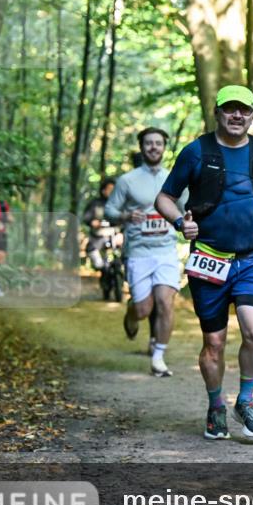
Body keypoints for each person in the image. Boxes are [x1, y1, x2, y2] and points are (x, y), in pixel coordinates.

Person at [155, 85, 253, 442]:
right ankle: (216, 405)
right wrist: (180, 222)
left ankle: (246, 401)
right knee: (214, 343)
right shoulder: (197, 151)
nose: (237, 116)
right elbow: (165, 197)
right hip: (208, 259)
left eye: (244, 110)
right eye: (229, 109)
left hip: (252, 259)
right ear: (217, 113)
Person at [105, 127, 184, 377]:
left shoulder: (174, 178)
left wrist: (188, 220)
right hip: (138, 251)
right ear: (141, 147)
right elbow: (109, 210)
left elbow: (187, 209)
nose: (153, 147)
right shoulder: (127, 180)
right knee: (143, 309)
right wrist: (126, 215)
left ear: (164, 147)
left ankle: (158, 357)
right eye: (149, 143)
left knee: (165, 302)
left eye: (158, 143)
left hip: (166, 250)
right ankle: (131, 313)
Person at [82, 178, 116, 273]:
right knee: (92, 251)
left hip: (114, 237)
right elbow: (86, 218)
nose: (111, 192)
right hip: (97, 237)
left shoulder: (119, 204)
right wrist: (93, 222)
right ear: (103, 190)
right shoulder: (95, 203)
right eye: (109, 189)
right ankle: (102, 267)